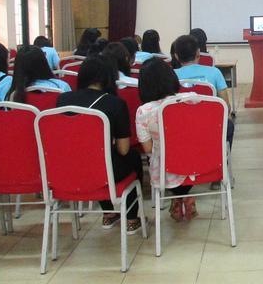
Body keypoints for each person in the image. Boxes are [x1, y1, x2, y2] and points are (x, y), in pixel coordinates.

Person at [56, 55, 143, 233]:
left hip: (66, 169)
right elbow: (123, 149)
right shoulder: (115, 103)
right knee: (131, 157)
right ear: (109, 77)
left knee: (96, 160)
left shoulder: (62, 100)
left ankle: (108, 213)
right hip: (103, 170)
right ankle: (131, 218)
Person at [135, 58, 196, 222]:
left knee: (160, 158)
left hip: (166, 170)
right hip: (199, 164)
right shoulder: (192, 99)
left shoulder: (144, 111)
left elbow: (148, 149)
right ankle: (183, 196)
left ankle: (179, 197)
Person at [172, 35, 234, 146]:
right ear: (198, 52)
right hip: (210, 126)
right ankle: (221, 154)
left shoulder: (170, 76)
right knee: (229, 126)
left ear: (176, 56)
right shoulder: (214, 72)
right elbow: (226, 106)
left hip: (180, 127)